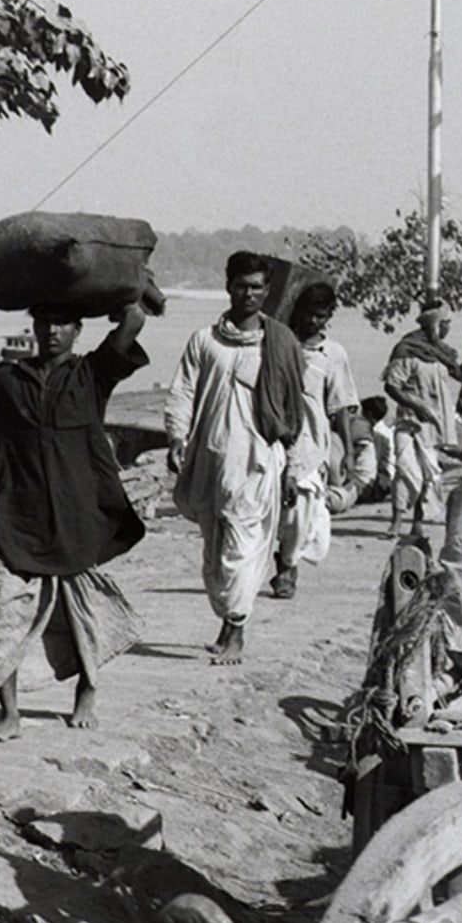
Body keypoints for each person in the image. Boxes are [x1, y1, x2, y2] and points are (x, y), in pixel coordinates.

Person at [0, 303, 148, 741]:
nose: (52, 330)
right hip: (17, 518)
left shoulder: (92, 374)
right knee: (5, 614)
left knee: (81, 614)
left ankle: (87, 689)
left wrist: (123, 295)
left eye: (62, 321)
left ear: (78, 328)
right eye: (45, 322)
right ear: (34, 327)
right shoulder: (8, 379)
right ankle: (10, 714)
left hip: (76, 516)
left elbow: (135, 320)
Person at [164, 251, 306, 665]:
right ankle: (228, 623)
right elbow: (183, 392)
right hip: (210, 462)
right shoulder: (204, 341)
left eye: (258, 286)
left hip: (258, 463)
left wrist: (293, 468)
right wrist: (176, 437)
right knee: (215, 551)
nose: (250, 294)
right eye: (242, 285)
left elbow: (294, 410)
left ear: (267, 290)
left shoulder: (279, 343)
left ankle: (237, 631)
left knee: (242, 549)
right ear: (228, 286)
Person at [274, 282, 362, 596]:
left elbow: (339, 408)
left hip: (311, 443)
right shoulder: (279, 344)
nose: (313, 322)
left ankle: (287, 561)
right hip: (274, 438)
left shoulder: (332, 354)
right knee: (276, 505)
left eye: (321, 316)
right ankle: (281, 565)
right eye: (309, 314)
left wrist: (349, 452)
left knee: (303, 508)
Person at [385, 297, 462, 536]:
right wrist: (414, 404)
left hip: (433, 425)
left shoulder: (442, 353)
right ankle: (397, 520)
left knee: (429, 472)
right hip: (410, 421)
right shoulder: (407, 349)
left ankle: (417, 522)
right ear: (434, 324)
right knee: (406, 468)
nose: (448, 327)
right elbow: (392, 385)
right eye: (445, 323)